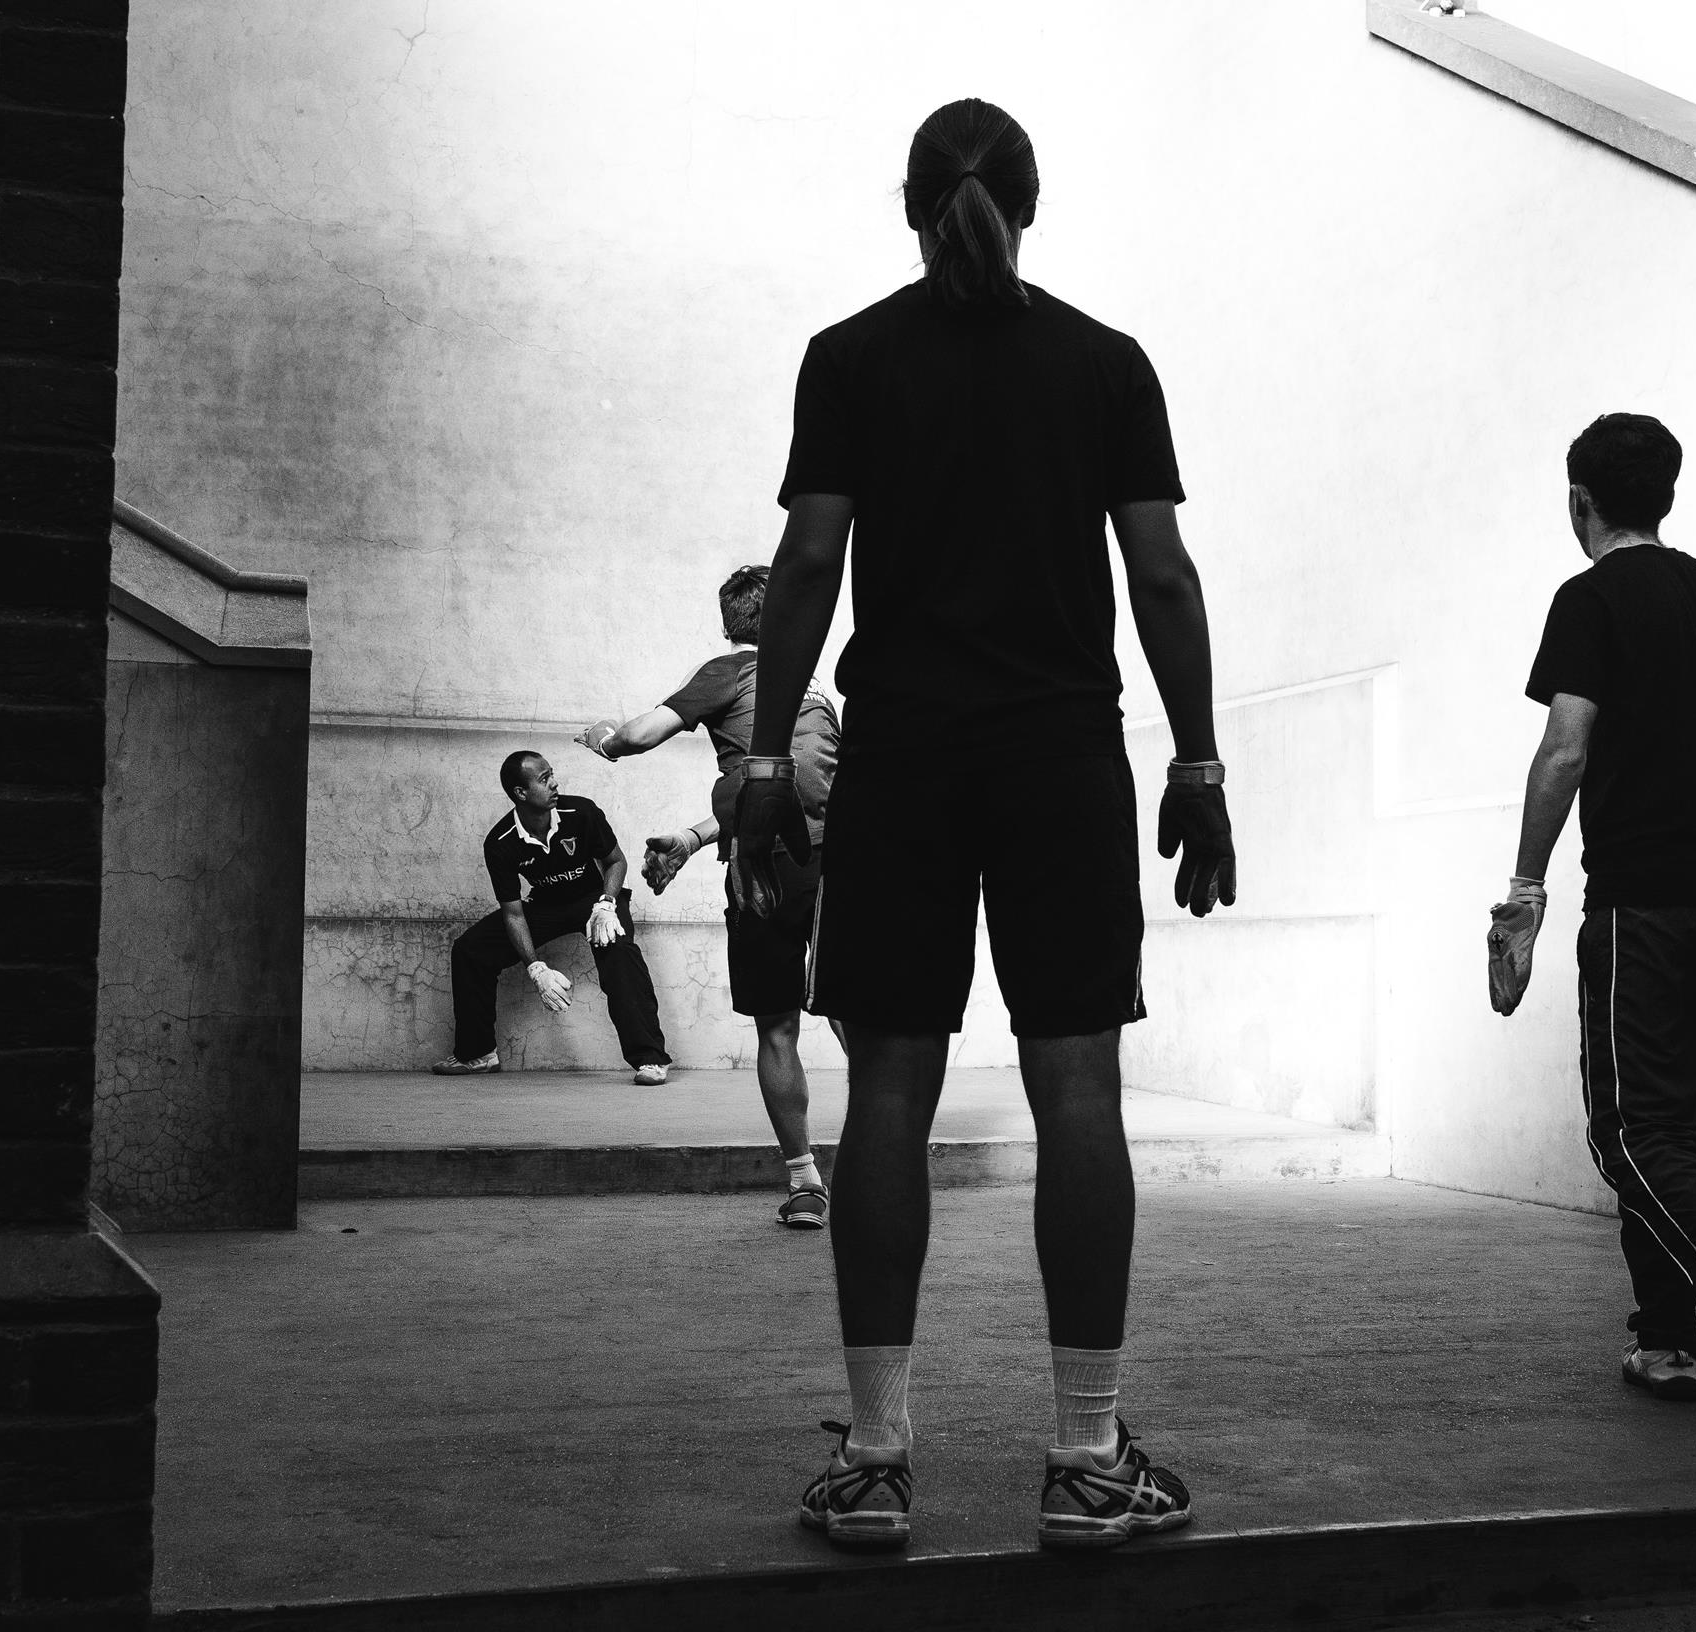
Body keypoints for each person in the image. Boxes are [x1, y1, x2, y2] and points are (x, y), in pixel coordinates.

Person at [734, 99, 1235, 1552]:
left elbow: (811, 558)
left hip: (901, 762)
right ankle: (1086, 1458)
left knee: (886, 1089)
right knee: (1078, 1089)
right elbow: (1164, 581)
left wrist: (769, 758)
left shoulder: (849, 359)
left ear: (909, 206)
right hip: (1063, 762)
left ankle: (880, 1458)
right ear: (1033, 201)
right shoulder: (1104, 363)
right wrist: (1197, 763)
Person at [1488, 412, 1696, 1436]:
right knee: (1688, 1129)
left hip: (1648, 903)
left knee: (1633, 1132)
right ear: (1667, 499)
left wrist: (1524, 888)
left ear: (1579, 504)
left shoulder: (1589, 600)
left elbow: (1565, 750)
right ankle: (1667, 1336)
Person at [577, 564, 844, 1229]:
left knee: (778, 1027)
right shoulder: (816, 687)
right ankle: (880, 1164)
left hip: (768, 870)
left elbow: (642, 735)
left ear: (729, 625)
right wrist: (697, 838)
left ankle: (806, 1182)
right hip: (841, 860)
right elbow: (794, 786)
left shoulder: (727, 672)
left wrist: (604, 737)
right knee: (854, 1016)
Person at [430, 751, 672, 1086]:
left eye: (552, 774)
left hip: (595, 899)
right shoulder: (500, 843)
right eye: (544, 779)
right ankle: (478, 1054)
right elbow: (513, 913)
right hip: (545, 904)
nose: (554, 783)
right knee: (470, 950)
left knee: (620, 954)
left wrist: (606, 903)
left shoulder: (580, 812)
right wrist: (536, 968)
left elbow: (616, 862)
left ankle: (650, 1059)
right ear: (521, 793)